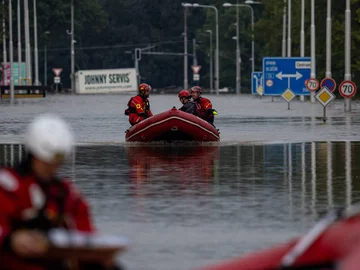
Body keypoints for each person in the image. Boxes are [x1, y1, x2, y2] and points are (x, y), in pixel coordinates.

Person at [0, 114, 122, 270]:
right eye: (46, 163)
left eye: (56, 164)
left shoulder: (66, 193)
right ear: (32, 155)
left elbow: (84, 232)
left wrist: (99, 255)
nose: (51, 168)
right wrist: (10, 240)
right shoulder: (7, 187)